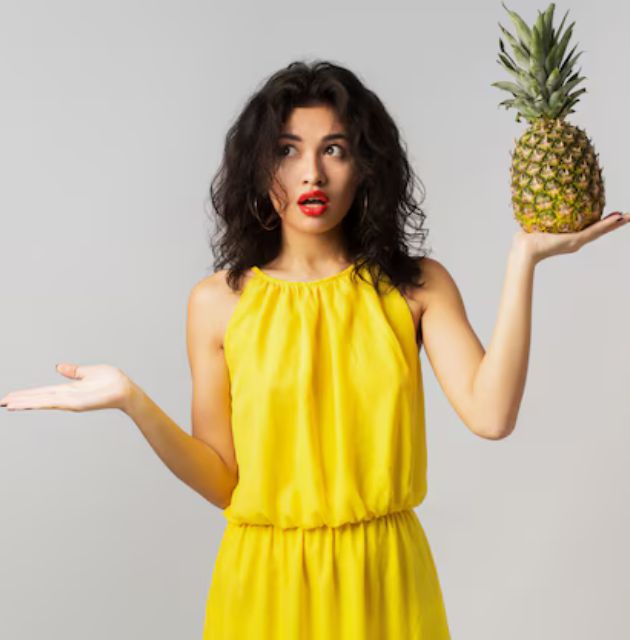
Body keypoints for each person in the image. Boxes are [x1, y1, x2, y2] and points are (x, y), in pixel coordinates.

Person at [1, 60, 627, 639]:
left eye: (335, 149)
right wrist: (133, 402)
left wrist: (524, 262)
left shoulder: (414, 286)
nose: (312, 173)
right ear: (258, 168)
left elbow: (491, 416)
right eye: (287, 151)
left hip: (386, 581)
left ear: (367, 165)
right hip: (264, 586)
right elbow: (223, 482)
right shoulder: (217, 302)